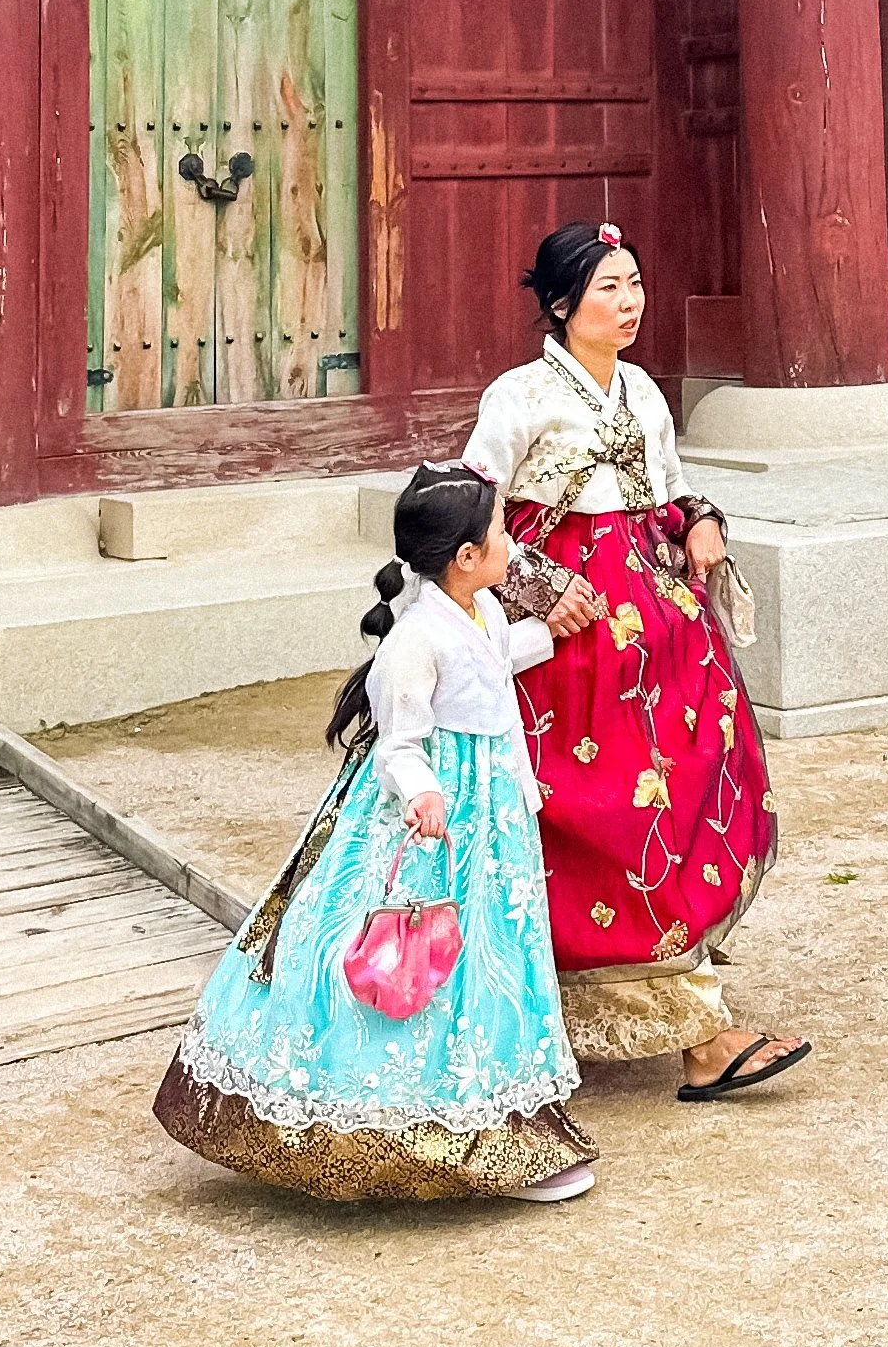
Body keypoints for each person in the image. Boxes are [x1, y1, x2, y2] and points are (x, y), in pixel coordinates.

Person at [153, 461, 597, 1202]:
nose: (507, 544)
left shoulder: (475, 610)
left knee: (492, 947)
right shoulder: (413, 638)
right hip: (439, 820)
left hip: (490, 814)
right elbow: (398, 742)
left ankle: (497, 1120)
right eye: (497, 534)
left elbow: (486, 662)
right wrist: (423, 795)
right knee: (429, 953)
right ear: (463, 557)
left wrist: (539, 633)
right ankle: (423, 1122)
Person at [468, 219, 809, 1100]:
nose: (629, 303)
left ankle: (674, 991)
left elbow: (665, 486)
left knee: (680, 794)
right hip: (568, 648)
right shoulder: (518, 395)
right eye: (608, 287)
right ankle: (687, 1030)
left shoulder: (644, 391)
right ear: (559, 303)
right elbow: (466, 513)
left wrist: (698, 517)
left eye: (635, 283)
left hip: (661, 633)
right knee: (596, 813)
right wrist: (540, 587)